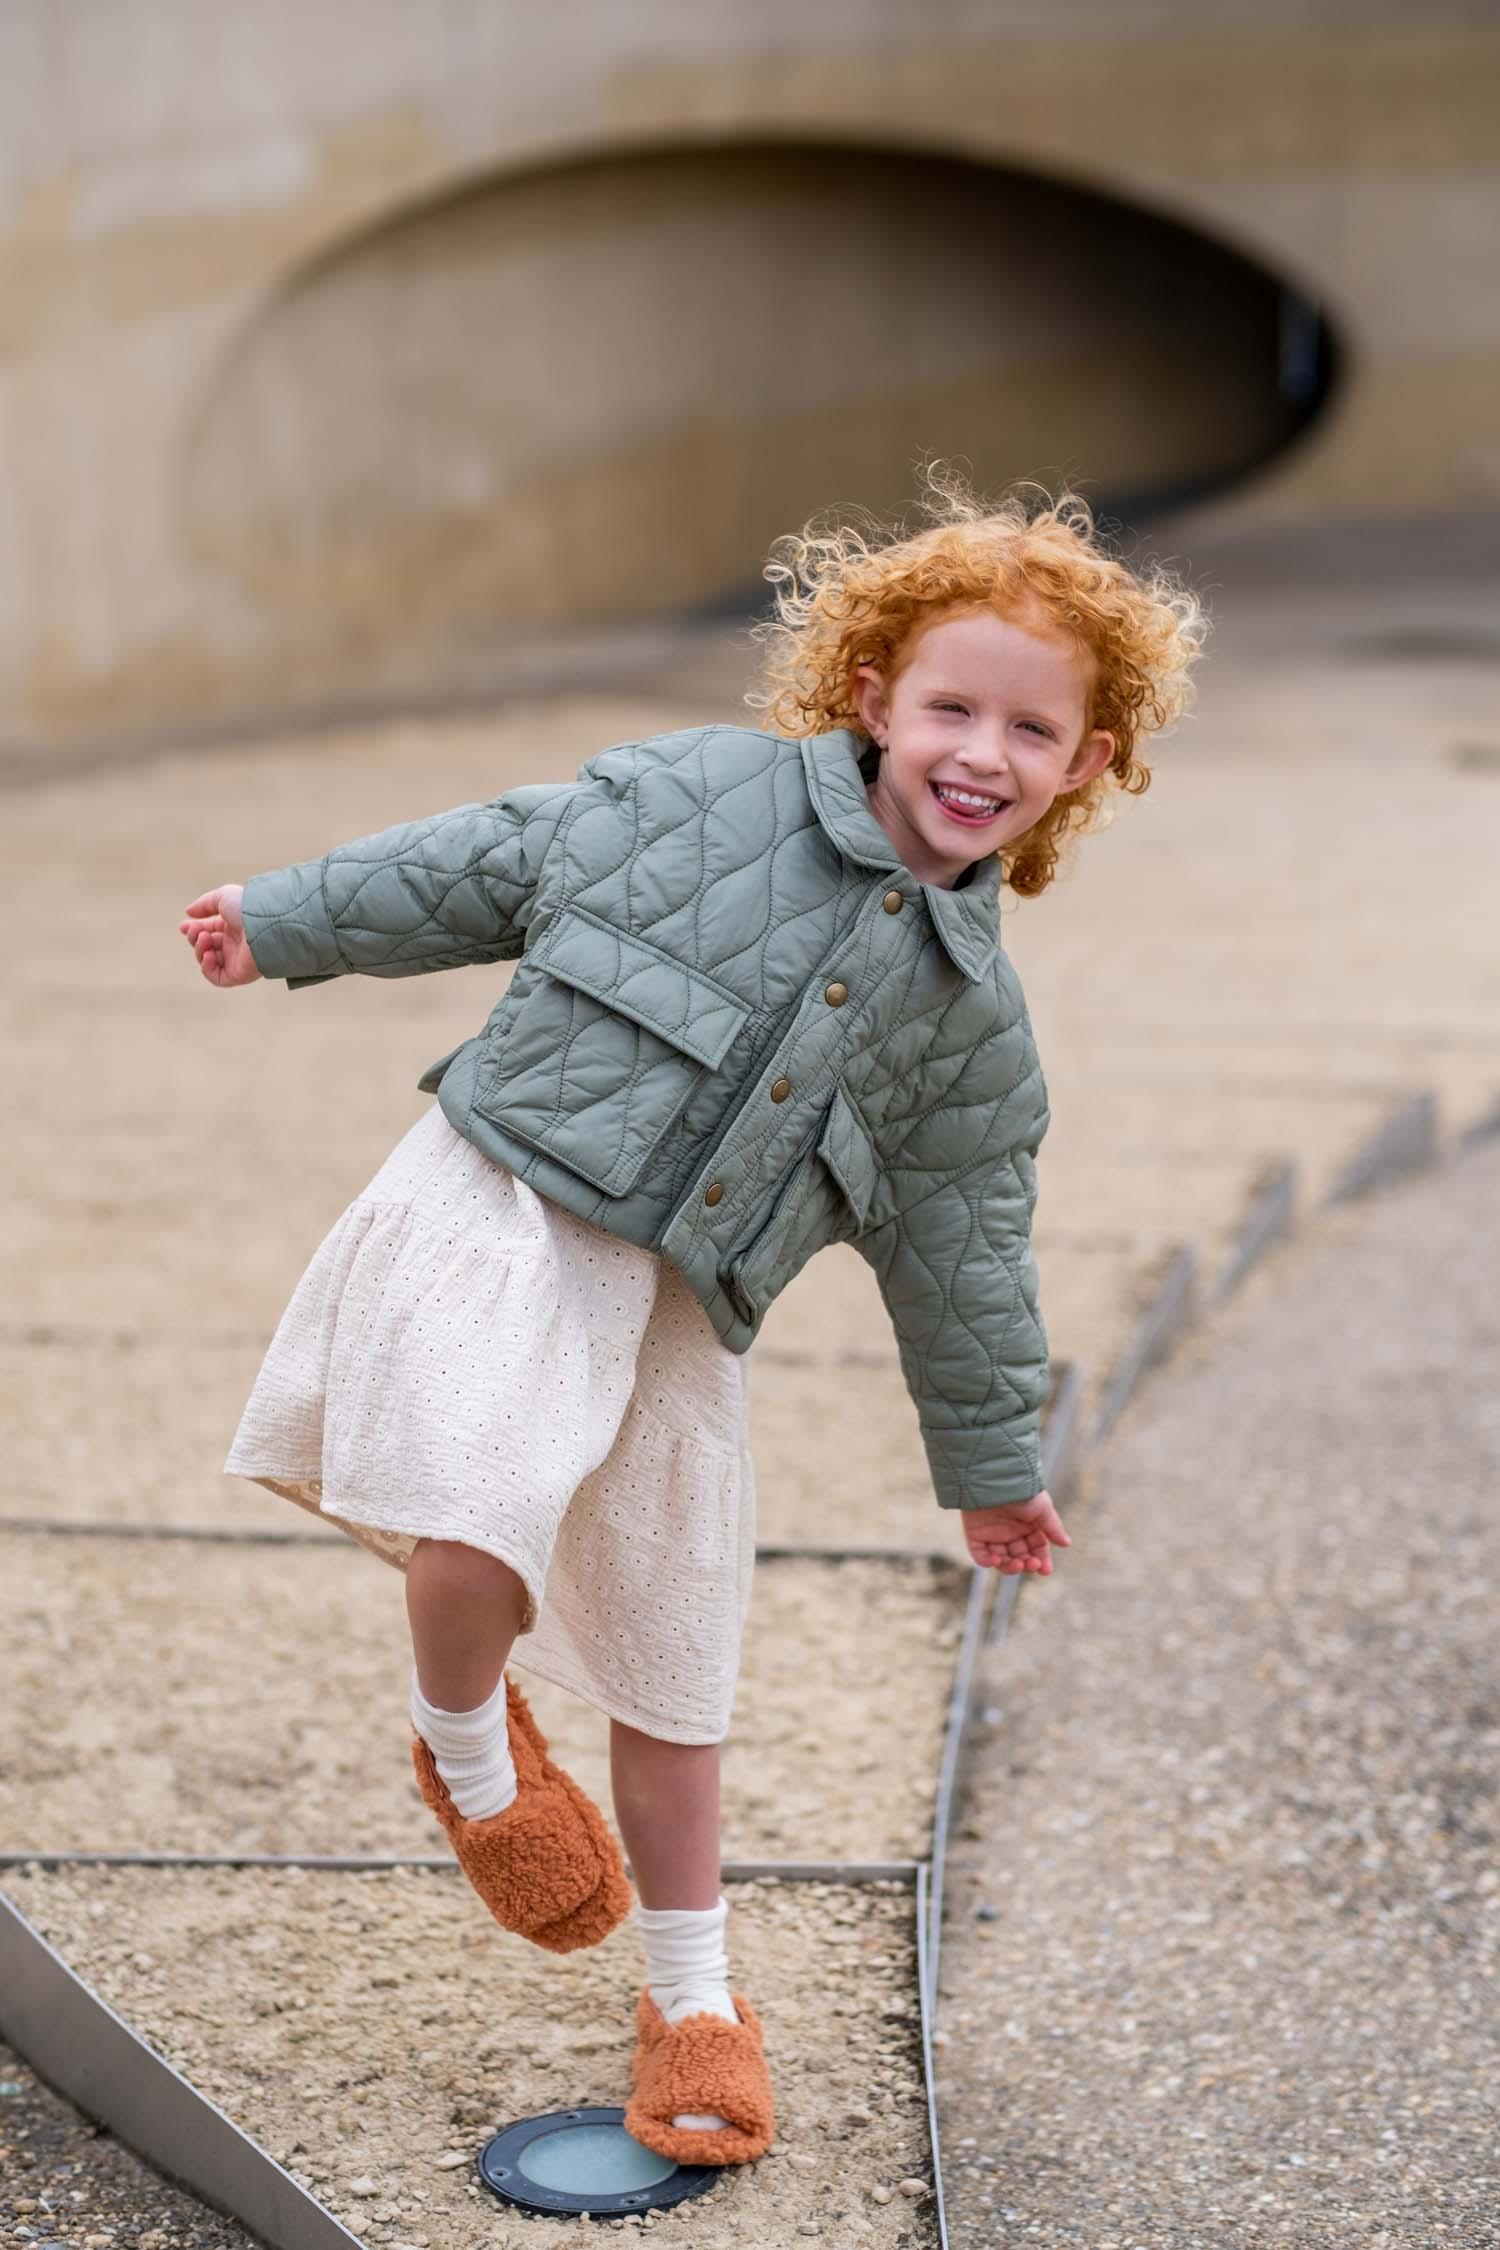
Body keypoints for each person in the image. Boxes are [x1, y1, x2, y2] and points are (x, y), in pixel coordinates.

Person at [179, 471, 1206, 2164]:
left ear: (1086, 765)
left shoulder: (972, 1035)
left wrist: (993, 1463)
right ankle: (470, 1754)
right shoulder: (694, 796)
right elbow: (479, 861)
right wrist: (280, 918)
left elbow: (966, 1260)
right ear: (873, 694)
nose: (982, 753)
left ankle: (695, 1998)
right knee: (482, 1502)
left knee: (673, 1659)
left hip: (675, 1311)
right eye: (952, 704)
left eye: (1034, 730)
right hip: (505, 1209)